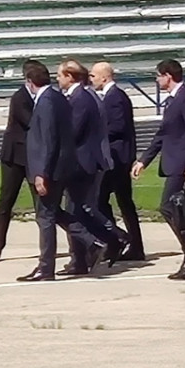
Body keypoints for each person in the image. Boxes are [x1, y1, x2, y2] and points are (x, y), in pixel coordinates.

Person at [131, 59, 185, 280]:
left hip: (182, 165)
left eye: (158, 76)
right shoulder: (172, 101)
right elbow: (162, 134)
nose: (157, 80)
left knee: (174, 210)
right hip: (173, 163)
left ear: (168, 76)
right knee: (179, 213)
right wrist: (144, 160)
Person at [56, 59, 125, 274]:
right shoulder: (82, 96)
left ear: (69, 76)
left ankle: (111, 240)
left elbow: (73, 133)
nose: (57, 79)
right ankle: (87, 254)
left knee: (77, 210)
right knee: (81, 210)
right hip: (84, 162)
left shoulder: (81, 99)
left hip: (83, 163)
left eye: (59, 75)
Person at [18, 60, 76, 282]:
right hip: (54, 166)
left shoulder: (47, 101)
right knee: (51, 214)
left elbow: (48, 140)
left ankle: (46, 266)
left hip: (48, 169)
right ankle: (94, 240)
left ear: (30, 82)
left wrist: (41, 173)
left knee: (46, 217)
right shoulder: (55, 98)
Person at [91, 61, 145, 261]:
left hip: (117, 158)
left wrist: (95, 133)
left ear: (104, 77)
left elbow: (118, 127)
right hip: (119, 156)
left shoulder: (114, 98)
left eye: (94, 76)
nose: (92, 80)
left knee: (100, 200)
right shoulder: (113, 96)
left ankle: (116, 239)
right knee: (122, 202)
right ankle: (130, 244)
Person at [0, 67, 34, 262]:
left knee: (44, 204)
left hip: (32, 156)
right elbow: (31, 122)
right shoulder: (20, 97)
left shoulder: (42, 97)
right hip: (14, 156)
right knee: (6, 200)